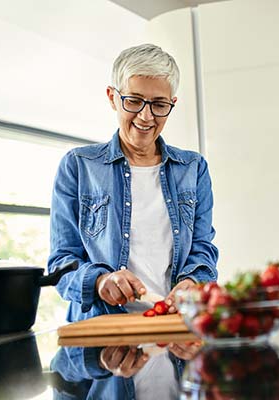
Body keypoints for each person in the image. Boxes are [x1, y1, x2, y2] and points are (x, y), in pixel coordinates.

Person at [48, 43, 218, 322]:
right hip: (103, 333)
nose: (146, 116)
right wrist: (100, 282)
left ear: (171, 104)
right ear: (112, 97)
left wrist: (193, 282)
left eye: (159, 104)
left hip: (174, 326)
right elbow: (61, 265)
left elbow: (202, 249)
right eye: (134, 100)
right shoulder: (78, 166)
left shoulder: (193, 168)